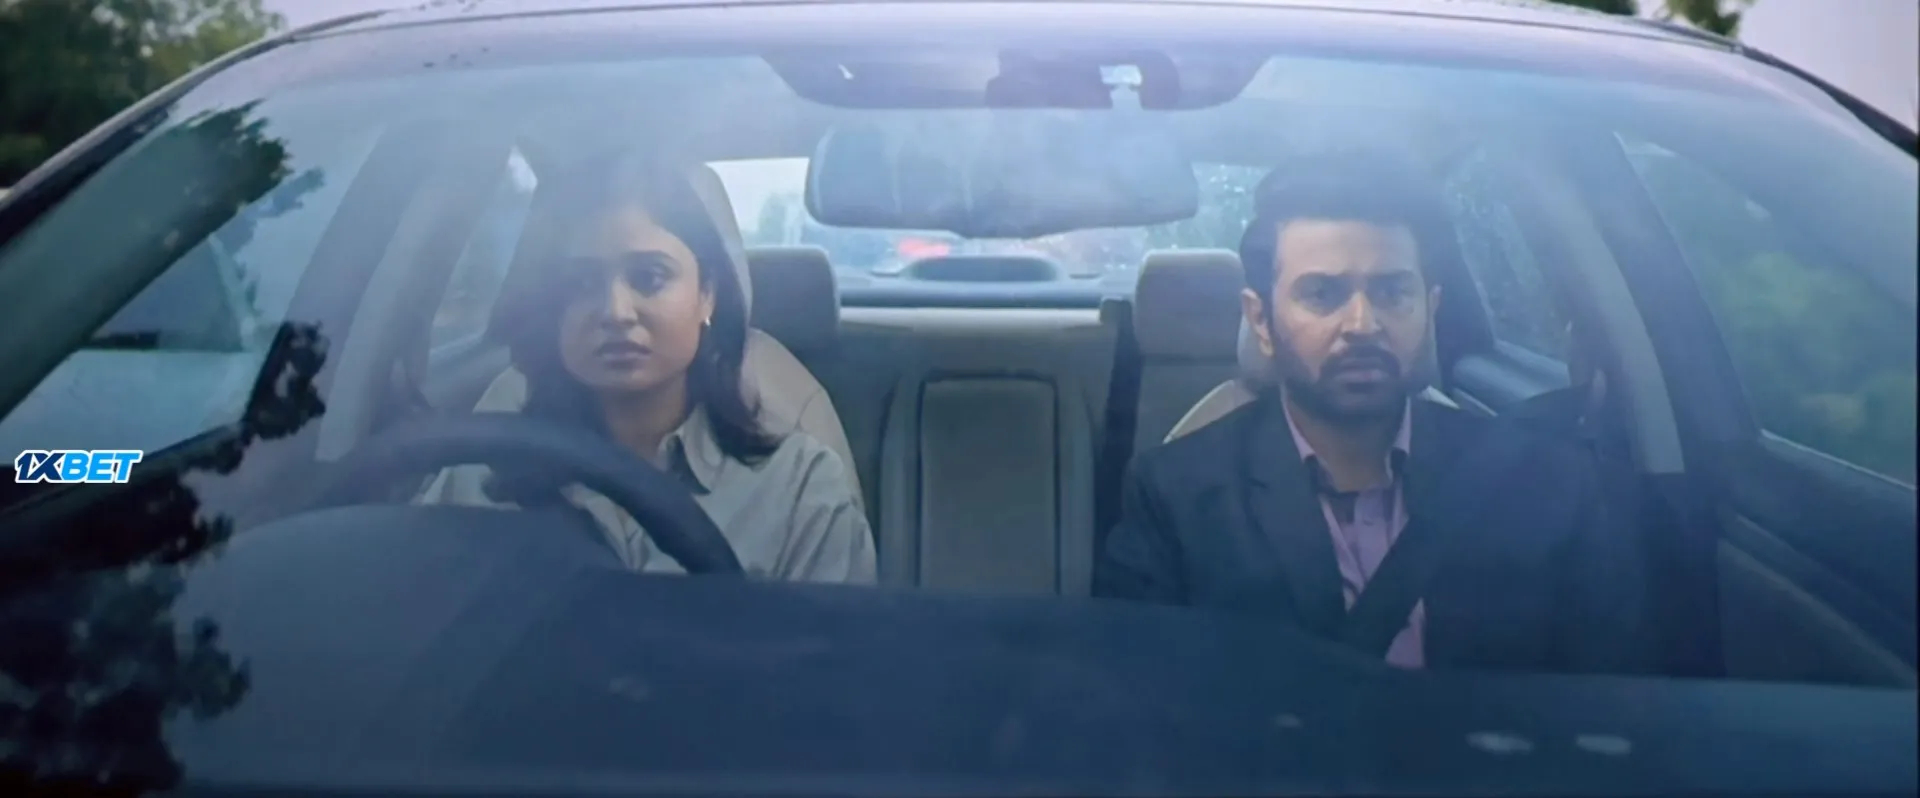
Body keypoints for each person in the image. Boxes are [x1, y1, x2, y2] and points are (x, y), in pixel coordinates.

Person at [1091, 151, 1648, 674]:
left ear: (1429, 309)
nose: (1362, 324)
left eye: (1392, 292)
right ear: (1260, 320)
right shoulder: (1177, 496)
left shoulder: (1541, 483)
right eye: (1322, 294)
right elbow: (1141, 697)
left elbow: (1610, 698)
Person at [424, 162, 877, 584]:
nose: (616, 312)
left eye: (649, 277)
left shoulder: (797, 488)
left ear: (707, 294)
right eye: (582, 284)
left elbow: (835, 642)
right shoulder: (483, 469)